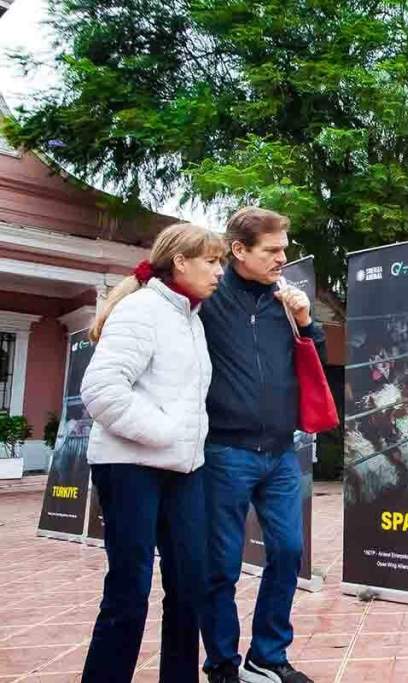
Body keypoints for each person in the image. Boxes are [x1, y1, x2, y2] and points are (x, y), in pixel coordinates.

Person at [79, 223, 225, 683]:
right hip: (129, 469)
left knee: (189, 588)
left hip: (182, 469)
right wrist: (165, 431)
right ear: (180, 261)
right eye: (212, 261)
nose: (220, 271)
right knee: (129, 590)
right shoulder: (142, 310)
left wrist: (184, 443)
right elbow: (100, 391)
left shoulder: (192, 318)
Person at [200, 207, 326, 683]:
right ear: (238, 250)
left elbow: (316, 362)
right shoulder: (209, 298)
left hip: (279, 452)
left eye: (284, 248)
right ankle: (222, 664)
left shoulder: (284, 301)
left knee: (289, 551)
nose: (283, 257)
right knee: (221, 566)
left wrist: (306, 320)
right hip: (224, 453)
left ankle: (267, 656)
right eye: (272, 250)